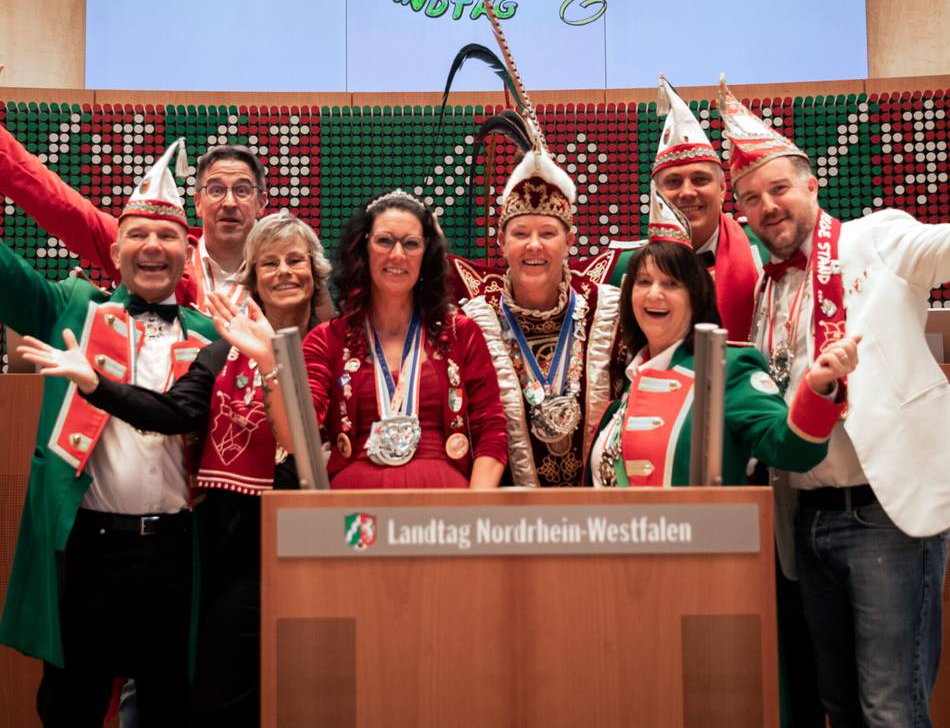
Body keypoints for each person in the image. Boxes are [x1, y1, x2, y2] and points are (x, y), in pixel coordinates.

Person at [17, 211, 334, 726]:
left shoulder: (337, 343)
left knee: (317, 687)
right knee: (198, 702)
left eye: (295, 260)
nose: (283, 273)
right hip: (226, 551)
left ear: (317, 272)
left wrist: (270, 359)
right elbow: (170, 413)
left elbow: (307, 445)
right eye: (269, 262)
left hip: (312, 541)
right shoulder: (220, 349)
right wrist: (95, 385)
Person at [721, 82, 950, 727]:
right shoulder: (765, 295)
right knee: (837, 708)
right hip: (807, 522)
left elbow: (940, 248)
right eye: (751, 199)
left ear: (813, 185)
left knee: (891, 707)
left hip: (885, 513)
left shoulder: (878, 239)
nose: (768, 207)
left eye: (779, 189)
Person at [0, 140, 217, 727]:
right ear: (116, 249)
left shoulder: (214, 336)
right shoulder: (74, 309)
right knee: (71, 707)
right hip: (89, 551)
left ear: (186, 250)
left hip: (177, 552)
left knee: (173, 707)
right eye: (138, 234)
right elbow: (7, 276)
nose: (153, 246)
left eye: (168, 236)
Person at [217, 189, 508, 488]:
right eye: (384, 241)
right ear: (363, 250)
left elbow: (492, 429)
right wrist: (268, 361)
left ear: (426, 255)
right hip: (354, 520)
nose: (397, 254)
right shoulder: (328, 339)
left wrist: (475, 511)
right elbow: (296, 440)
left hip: (445, 514)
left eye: (411, 244)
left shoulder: (461, 333)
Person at [586, 186, 858, 487]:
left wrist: (818, 388)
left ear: (696, 297)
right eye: (644, 281)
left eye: (671, 283)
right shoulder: (627, 382)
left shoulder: (725, 369)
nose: (654, 294)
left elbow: (790, 449)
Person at [457, 139, 627, 487]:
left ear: (569, 242)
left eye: (548, 233)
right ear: (501, 243)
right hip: (509, 519)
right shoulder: (472, 322)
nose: (534, 245)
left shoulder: (607, 310)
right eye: (520, 233)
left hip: (604, 517)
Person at [0, 122, 267, 309]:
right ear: (197, 202)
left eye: (242, 190)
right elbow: (60, 205)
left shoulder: (288, 267)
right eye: (217, 189)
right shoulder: (158, 250)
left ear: (261, 202)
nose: (229, 202)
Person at [606, 75, 766, 340]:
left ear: (723, 189)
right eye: (673, 182)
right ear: (656, 195)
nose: (687, 192)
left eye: (700, 179)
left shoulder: (766, 251)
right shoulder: (622, 269)